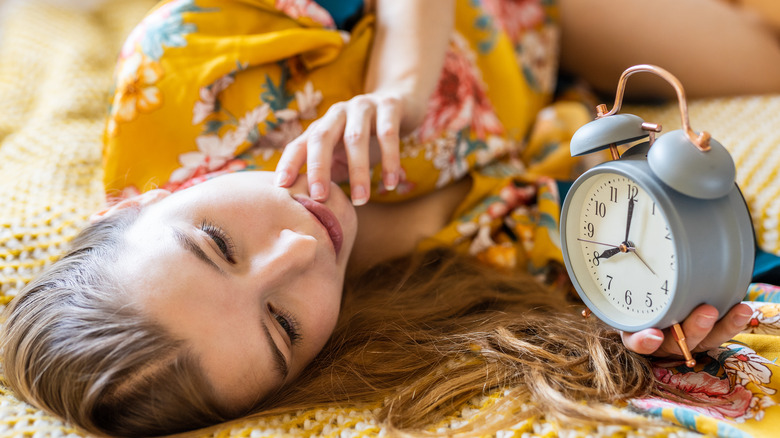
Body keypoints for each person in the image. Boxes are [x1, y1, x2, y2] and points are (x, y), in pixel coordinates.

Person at [1, 0, 778, 436]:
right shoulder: (416, 295)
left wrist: (399, 93)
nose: (298, 249)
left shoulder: (195, 75)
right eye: (282, 327)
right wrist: (671, 320)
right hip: (559, 64)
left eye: (216, 243)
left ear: (141, 201)